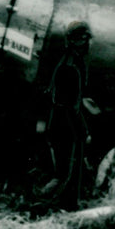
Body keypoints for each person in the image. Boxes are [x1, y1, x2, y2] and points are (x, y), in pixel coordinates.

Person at [36, 20, 98, 210]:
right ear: (78, 41)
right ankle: (48, 205)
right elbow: (69, 105)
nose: (89, 44)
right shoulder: (71, 66)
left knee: (66, 171)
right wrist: (83, 131)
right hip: (66, 124)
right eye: (86, 39)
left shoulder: (70, 60)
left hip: (61, 120)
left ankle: (61, 203)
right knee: (66, 174)